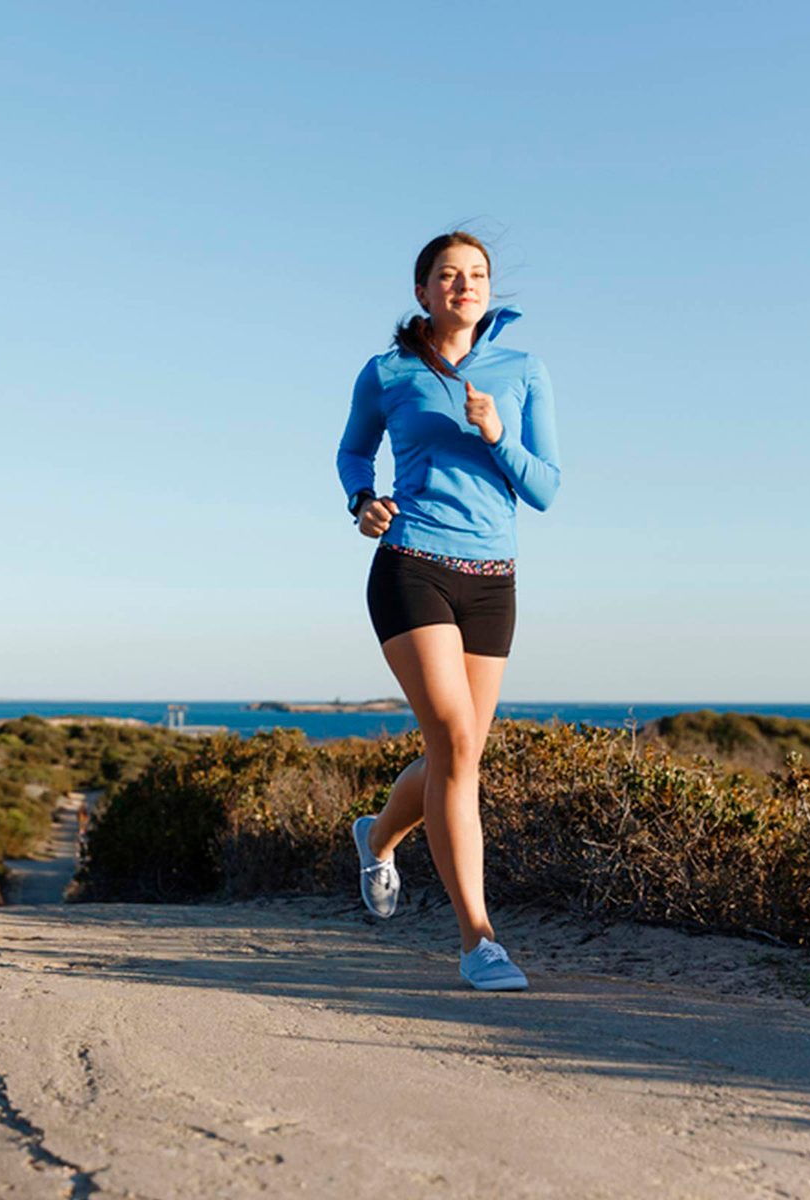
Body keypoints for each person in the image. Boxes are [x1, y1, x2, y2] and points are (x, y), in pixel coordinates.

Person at [336, 231, 562, 991]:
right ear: (423, 290)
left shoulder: (524, 372)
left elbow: (546, 489)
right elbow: (352, 453)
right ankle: (479, 941)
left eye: (476, 274)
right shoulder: (389, 370)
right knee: (458, 741)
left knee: (455, 757)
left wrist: (498, 434)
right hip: (412, 566)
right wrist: (364, 501)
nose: (464, 284)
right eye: (448, 275)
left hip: (493, 580)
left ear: (488, 290)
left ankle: (378, 836)